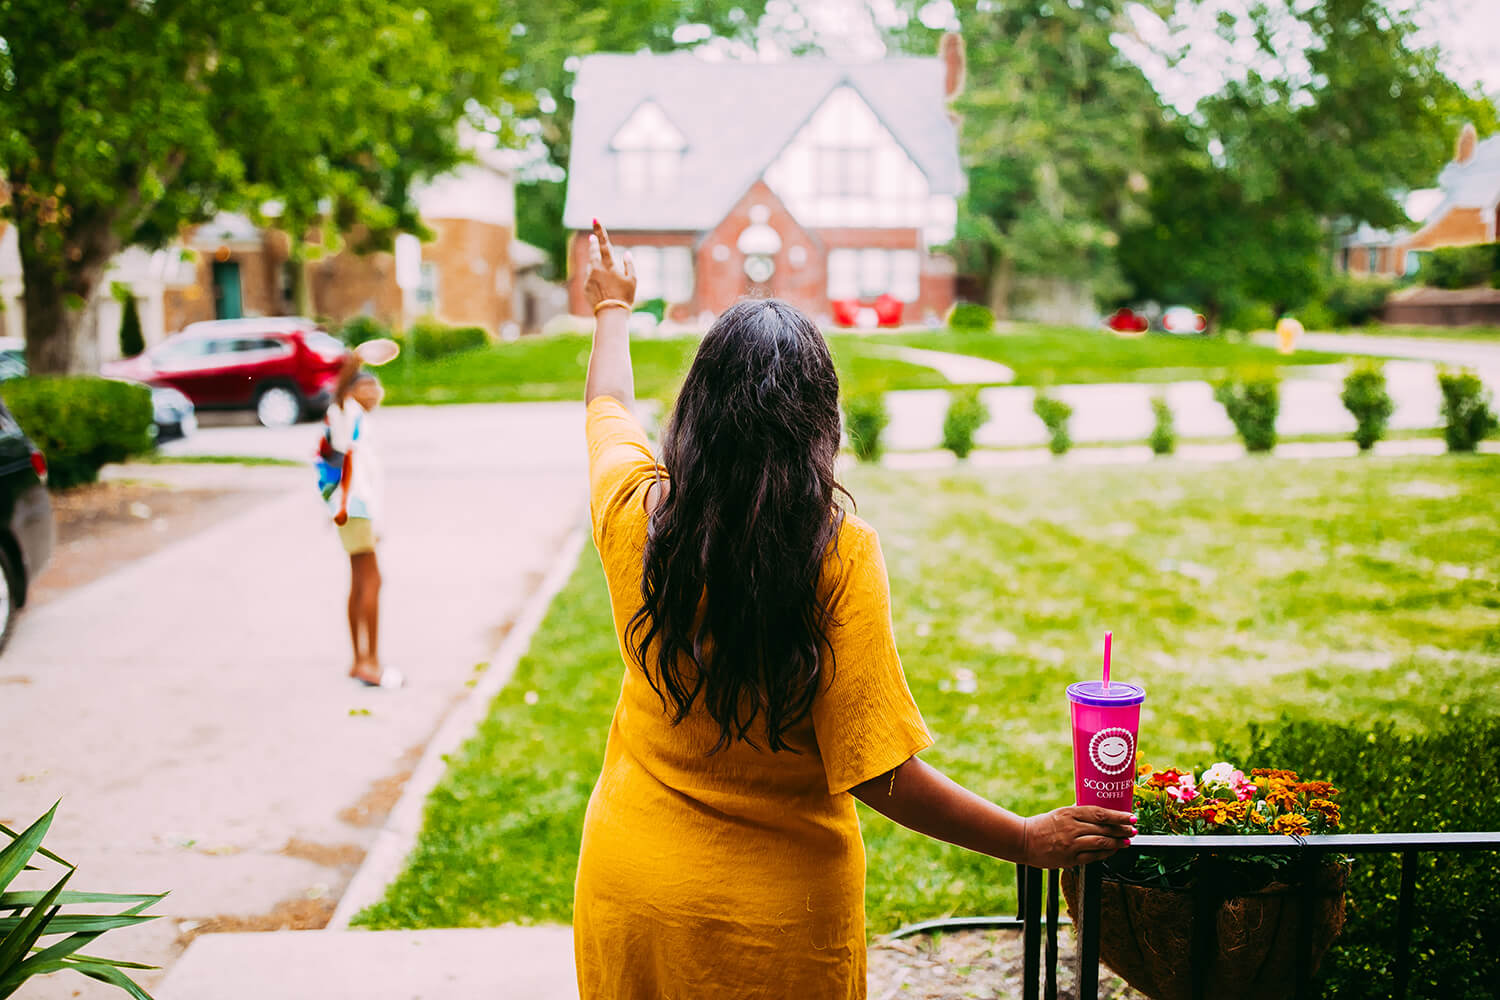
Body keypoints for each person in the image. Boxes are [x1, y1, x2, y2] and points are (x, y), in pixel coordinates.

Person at [574, 219, 1134, 999]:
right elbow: (877, 771)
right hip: (778, 925)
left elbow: (607, 403)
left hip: (629, 892)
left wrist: (612, 309)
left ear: (696, 408)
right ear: (816, 422)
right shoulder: (835, 553)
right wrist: (1026, 839)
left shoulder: (636, 511)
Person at [323, 353, 402, 689]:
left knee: (360, 581)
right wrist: (355, 361)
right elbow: (339, 393)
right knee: (372, 582)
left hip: (358, 511)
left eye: (374, 386)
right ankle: (370, 662)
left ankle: (359, 660)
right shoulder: (343, 413)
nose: (371, 393)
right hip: (355, 510)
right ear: (351, 392)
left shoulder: (361, 422)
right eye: (363, 387)